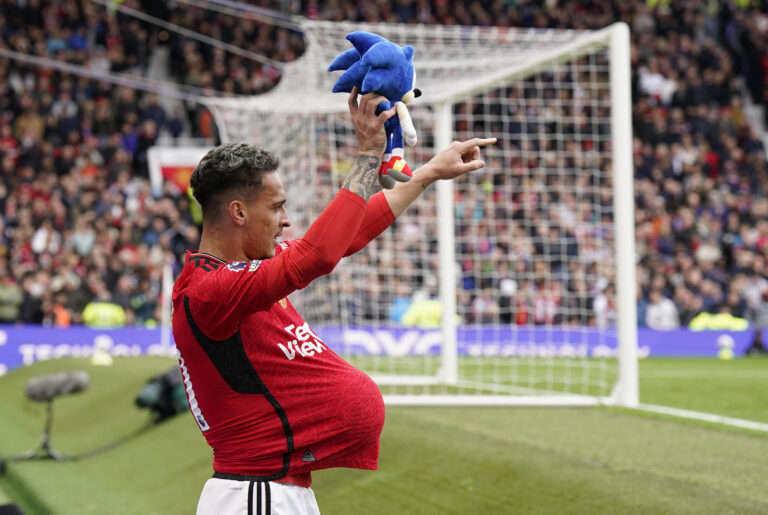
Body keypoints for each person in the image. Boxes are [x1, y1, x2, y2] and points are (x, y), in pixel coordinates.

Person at [172, 86, 495, 515]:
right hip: (255, 494)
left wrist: (428, 172)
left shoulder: (243, 276)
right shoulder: (209, 291)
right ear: (238, 213)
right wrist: (367, 157)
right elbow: (320, 254)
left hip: (275, 489)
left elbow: (345, 237)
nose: (286, 221)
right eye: (277, 207)